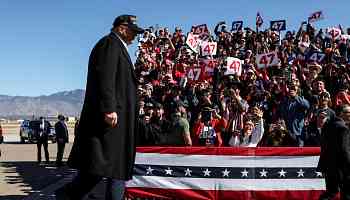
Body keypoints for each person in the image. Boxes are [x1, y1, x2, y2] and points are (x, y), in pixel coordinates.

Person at [55, 15, 144, 200]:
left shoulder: (120, 47)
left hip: (119, 121)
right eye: (133, 31)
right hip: (111, 120)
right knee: (101, 168)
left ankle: (66, 195)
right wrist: (109, 108)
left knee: (107, 169)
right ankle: (65, 195)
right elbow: (106, 76)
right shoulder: (110, 44)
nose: (135, 36)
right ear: (121, 28)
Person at [318, 104, 350, 200]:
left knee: (330, 193)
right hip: (341, 167)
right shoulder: (343, 128)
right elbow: (345, 150)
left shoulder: (327, 125)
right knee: (347, 193)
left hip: (328, 166)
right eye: (349, 112)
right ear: (341, 113)